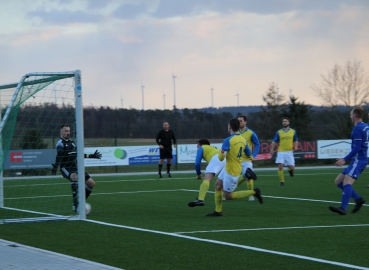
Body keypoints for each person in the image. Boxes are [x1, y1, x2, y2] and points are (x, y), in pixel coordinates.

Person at [206, 119, 263, 217]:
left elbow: (221, 158)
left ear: (230, 127)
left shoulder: (228, 140)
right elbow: (249, 154)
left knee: (228, 196)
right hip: (232, 167)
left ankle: (254, 192)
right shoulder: (243, 139)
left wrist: (221, 153)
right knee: (218, 186)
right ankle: (218, 211)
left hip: (231, 171)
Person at [51, 125, 102, 212]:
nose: (68, 133)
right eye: (66, 131)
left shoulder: (73, 143)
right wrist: (56, 166)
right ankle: (75, 205)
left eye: (69, 131)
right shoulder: (60, 143)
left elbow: (79, 154)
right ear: (61, 132)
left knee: (91, 183)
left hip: (75, 167)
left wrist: (92, 156)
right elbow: (59, 155)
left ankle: (80, 202)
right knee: (75, 177)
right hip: (66, 168)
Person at [329, 106, 367, 215]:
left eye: (351, 114)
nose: (350, 116)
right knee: (338, 181)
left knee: (347, 182)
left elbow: (357, 148)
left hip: (358, 160)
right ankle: (358, 199)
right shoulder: (366, 126)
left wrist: (344, 159)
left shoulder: (357, 128)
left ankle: (343, 208)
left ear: (354, 115)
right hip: (360, 159)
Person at [188, 139, 225, 207]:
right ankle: (222, 196)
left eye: (197, 146)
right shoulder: (214, 148)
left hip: (216, 159)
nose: (197, 148)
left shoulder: (202, 147)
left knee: (207, 179)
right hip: (225, 158)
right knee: (222, 179)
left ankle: (200, 199)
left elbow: (197, 163)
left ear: (200, 144)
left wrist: (198, 174)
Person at [269, 117, 298, 186]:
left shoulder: (293, 131)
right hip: (281, 151)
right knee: (280, 165)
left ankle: (290, 169)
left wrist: (295, 146)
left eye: (286, 121)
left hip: (289, 151)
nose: (284, 122)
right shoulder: (279, 132)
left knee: (292, 167)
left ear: (289, 123)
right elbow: (274, 141)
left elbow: (295, 140)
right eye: (283, 121)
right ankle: (282, 182)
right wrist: (272, 149)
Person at [237, 115, 260, 201]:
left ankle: (251, 194)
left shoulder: (251, 133)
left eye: (241, 121)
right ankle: (226, 192)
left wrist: (254, 155)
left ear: (245, 122)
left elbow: (257, 144)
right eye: (238, 121)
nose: (239, 122)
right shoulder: (235, 133)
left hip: (247, 159)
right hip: (236, 160)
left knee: (249, 177)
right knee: (233, 179)